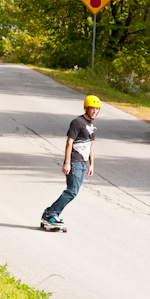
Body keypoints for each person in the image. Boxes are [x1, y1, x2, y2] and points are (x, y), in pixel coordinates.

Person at [41, 95, 101, 227]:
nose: (95, 111)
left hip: (83, 163)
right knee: (72, 191)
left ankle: (52, 214)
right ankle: (50, 213)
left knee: (73, 192)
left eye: (97, 109)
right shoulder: (77, 122)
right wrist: (67, 162)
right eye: (93, 109)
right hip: (74, 160)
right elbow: (69, 142)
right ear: (86, 108)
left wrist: (92, 165)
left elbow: (92, 145)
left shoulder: (94, 124)